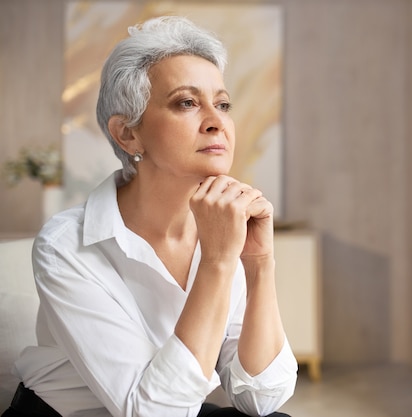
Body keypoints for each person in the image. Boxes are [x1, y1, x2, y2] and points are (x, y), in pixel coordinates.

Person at [2, 16, 297, 417]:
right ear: (128, 134)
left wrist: (258, 263)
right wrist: (217, 261)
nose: (216, 122)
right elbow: (154, 413)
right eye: (187, 103)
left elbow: (261, 398)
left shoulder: (224, 226)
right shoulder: (66, 244)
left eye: (223, 104)